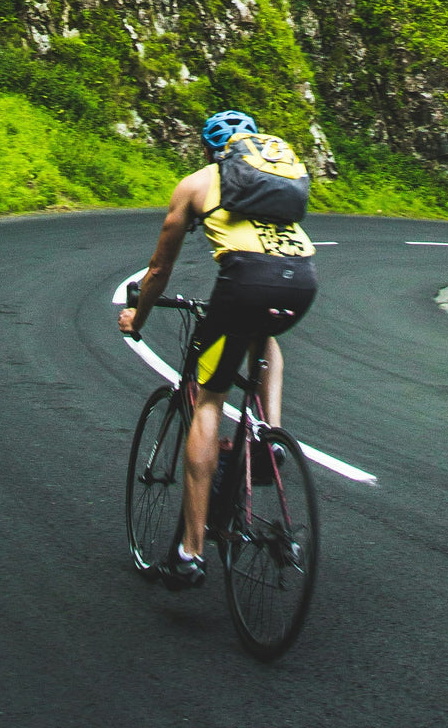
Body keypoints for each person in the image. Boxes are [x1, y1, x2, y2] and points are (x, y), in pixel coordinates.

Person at [118, 109, 317, 590]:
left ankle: (190, 553)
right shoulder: (273, 184)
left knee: (208, 400)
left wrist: (136, 319)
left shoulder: (196, 184)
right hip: (302, 282)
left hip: (246, 284)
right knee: (262, 335)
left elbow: (158, 271)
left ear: (210, 151)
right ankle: (269, 435)